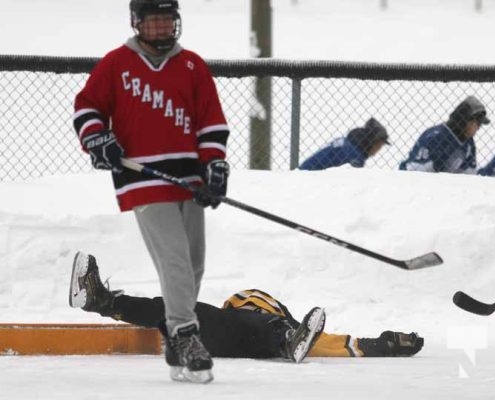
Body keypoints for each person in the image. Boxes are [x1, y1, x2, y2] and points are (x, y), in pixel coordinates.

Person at [71, 0, 230, 384]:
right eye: (153, 22)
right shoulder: (116, 64)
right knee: (175, 261)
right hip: (143, 179)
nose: (160, 29)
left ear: (176, 23)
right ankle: (186, 334)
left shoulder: (192, 65)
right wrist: (99, 139)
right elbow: (86, 108)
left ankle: (175, 340)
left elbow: (211, 122)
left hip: (188, 179)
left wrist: (214, 166)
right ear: (138, 23)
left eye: (166, 21)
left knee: (192, 265)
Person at [69, 252, 424, 360]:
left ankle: (102, 301)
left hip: (236, 337)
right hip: (234, 333)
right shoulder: (252, 316)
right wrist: (386, 344)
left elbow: (342, 345)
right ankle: (99, 300)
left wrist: (387, 343)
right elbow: (343, 345)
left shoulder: (278, 321)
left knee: (175, 309)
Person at [399, 96, 490, 173]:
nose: (478, 128)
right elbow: (415, 171)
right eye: (478, 123)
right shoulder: (437, 138)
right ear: (466, 121)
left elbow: (469, 174)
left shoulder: (469, 143)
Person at [299, 118, 390, 171]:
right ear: (372, 142)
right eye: (379, 146)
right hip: (309, 176)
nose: (378, 150)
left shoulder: (350, 143)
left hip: (306, 172)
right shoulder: (355, 155)